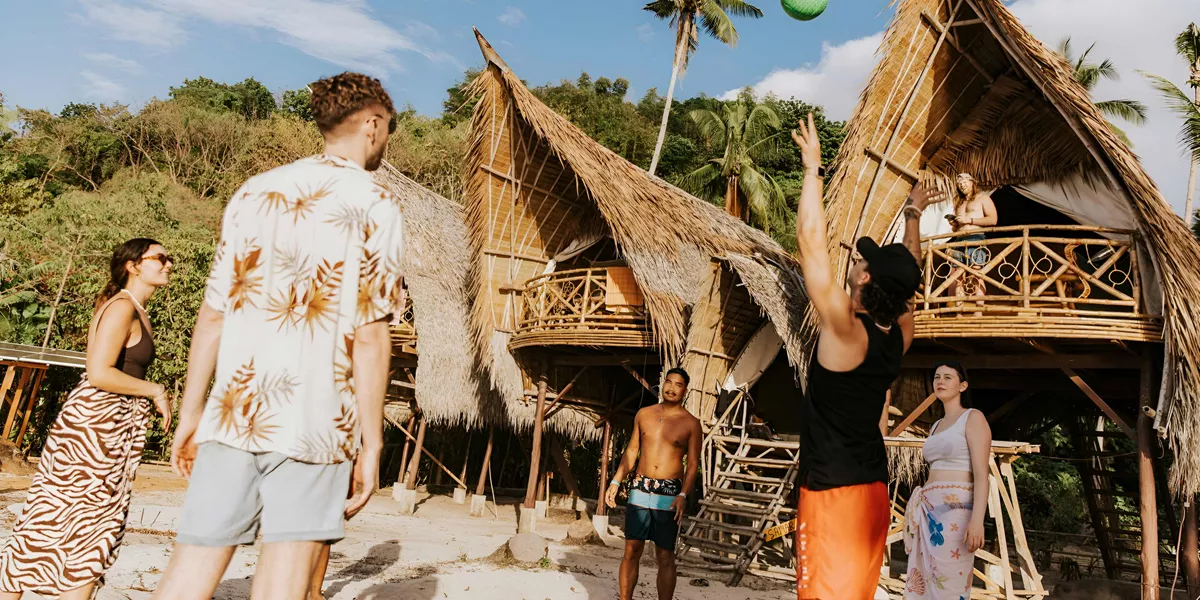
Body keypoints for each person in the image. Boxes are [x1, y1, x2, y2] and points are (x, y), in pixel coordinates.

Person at [152, 71, 404, 600]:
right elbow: (371, 333)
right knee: (283, 586)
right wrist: (372, 443)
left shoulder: (253, 191)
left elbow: (214, 314)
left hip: (234, 414)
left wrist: (192, 413)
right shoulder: (375, 201)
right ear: (373, 125)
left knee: (187, 577)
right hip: (316, 423)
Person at [791, 114, 943, 600]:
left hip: (834, 494)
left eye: (860, 263)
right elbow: (909, 279)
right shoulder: (897, 336)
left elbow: (810, 247)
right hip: (872, 492)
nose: (855, 263)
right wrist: (913, 213)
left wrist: (813, 169)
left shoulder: (846, 330)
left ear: (864, 282)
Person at [0, 238, 174, 599]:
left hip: (110, 428)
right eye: (160, 257)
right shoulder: (122, 307)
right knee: (79, 523)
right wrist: (155, 390)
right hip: (94, 430)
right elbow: (98, 372)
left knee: (77, 524)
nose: (168, 264)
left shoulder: (133, 308)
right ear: (134, 266)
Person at [604, 368, 701, 600]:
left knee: (665, 554)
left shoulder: (691, 423)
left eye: (678, 384)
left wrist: (683, 495)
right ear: (662, 384)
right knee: (631, 549)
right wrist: (616, 480)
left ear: (685, 390)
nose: (671, 388)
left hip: (669, 492)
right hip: (640, 486)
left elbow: (693, 465)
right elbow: (632, 450)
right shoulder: (644, 414)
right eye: (668, 382)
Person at [902, 362, 992, 599]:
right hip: (929, 511)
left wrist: (977, 521)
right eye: (936, 377)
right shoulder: (935, 427)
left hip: (956, 514)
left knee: (950, 585)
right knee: (923, 584)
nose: (940, 381)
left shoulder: (972, 418)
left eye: (948, 377)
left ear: (963, 386)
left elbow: (982, 475)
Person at [948, 173, 997, 309]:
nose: (962, 185)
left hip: (975, 239)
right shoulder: (959, 203)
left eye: (964, 182)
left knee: (976, 274)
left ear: (972, 182)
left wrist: (969, 220)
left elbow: (993, 219)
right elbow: (956, 229)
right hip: (959, 240)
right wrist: (954, 224)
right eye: (959, 184)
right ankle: (959, 310)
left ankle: (979, 310)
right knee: (957, 276)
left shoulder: (983, 198)